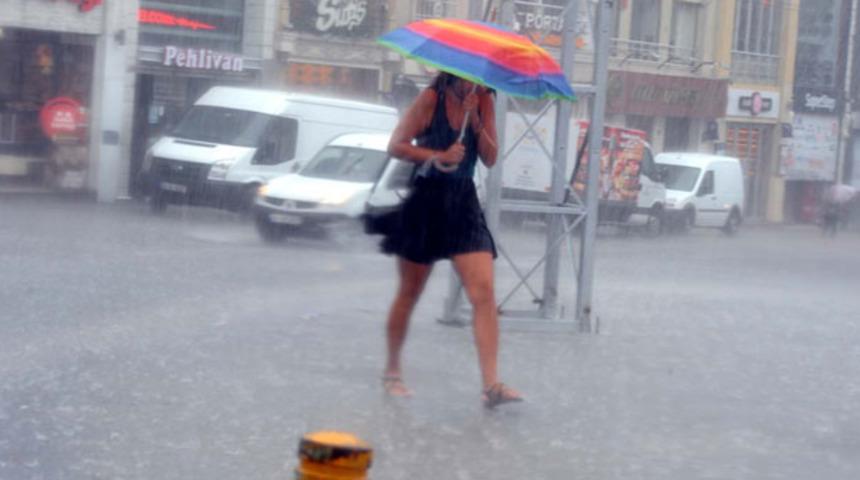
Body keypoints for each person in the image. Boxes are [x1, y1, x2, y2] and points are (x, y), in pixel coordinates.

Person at [380, 72, 523, 409]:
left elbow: (489, 157)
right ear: (455, 72)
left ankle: (491, 385)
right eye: (469, 75)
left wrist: (475, 119)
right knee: (410, 292)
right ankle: (392, 370)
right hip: (427, 199)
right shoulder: (432, 98)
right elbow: (396, 145)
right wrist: (437, 156)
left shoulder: (485, 99)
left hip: (463, 202)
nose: (475, 81)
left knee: (483, 292)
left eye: (479, 76)